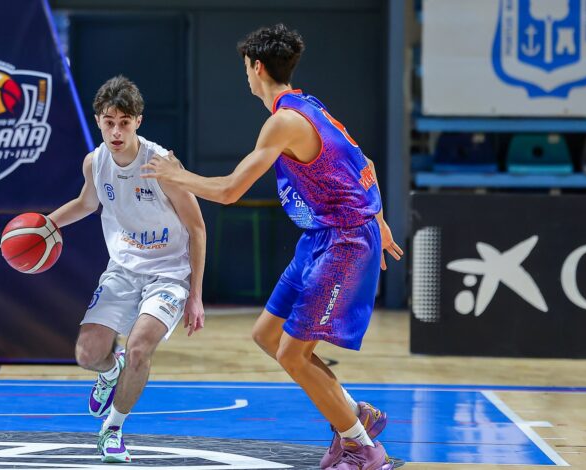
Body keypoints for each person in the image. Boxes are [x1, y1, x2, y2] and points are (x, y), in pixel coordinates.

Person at [141, 24, 403, 470]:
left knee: (291, 353)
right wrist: (378, 218)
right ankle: (354, 414)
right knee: (267, 335)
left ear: (256, 67)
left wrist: (172, 174)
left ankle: (363, 449)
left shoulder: (283, 121)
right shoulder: (308, 105)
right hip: (321, 237)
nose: (246, 75)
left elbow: (227, 191)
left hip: (343, 242)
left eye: (246, 68)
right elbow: (367, 164)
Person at [48, 75, 206, 463]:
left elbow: (197, 228)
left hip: (168, 273)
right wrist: (45, 225)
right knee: (87, 354)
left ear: (138, 121)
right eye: (108, 122)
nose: (115, 131)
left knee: (139, 348)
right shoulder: (95, 162)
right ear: (98, 121)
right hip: (122, 269)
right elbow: (87, 204)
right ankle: (108, 372)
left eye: (123, 121)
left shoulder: (162, 164)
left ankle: (113, 430)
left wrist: (196, 296)